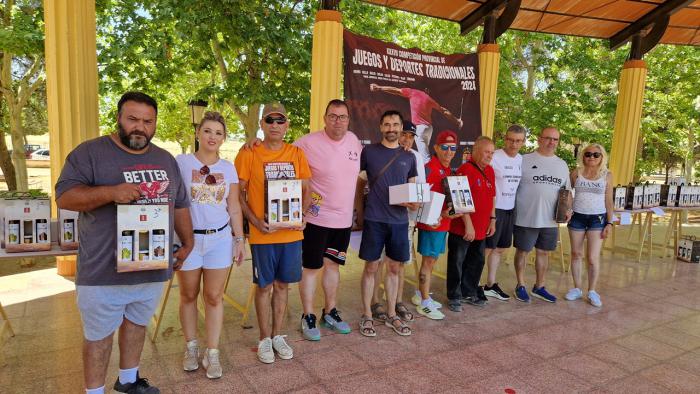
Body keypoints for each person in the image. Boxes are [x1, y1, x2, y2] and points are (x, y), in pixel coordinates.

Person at [55, 91, 193, 394]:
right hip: (103, 270)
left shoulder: (164, 158)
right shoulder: (90, 153)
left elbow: (179, 204)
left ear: (155, 124)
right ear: (118, 118)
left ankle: (129, 381)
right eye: (132, 119)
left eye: (147, 121)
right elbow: (65, 197)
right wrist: (110, 192)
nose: (139, 127)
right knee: (98, 336)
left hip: (151, 264)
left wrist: (188, 242)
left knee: (137, 324)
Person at [234, 103, 311, 363]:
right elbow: (238, 193)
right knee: (264, 286)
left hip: (290, 234)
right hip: (263, 234)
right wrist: (254, 221)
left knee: (282, 285)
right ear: (262, 124)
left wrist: (303, 215)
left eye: (280, 120)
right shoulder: (249, 153)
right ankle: (264, 338)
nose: (275, 125)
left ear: (287, 124)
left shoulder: (296, 153)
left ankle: (278, 335)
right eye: (270, 120)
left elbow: (306, 188)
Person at [176, 111, 245, 378]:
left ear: (224, 138)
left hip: (219, 239)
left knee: (214, 297)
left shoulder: (228, 168)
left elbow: (234, 207)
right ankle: (191, 346)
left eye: (218, 133)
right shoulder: (181, 162)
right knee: (188, 295)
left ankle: (212, 352)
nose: (212, 137)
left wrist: (239, 239)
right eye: (207, 131)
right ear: (197, 133)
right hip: (189, 240)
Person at [294, 99, 362, 340]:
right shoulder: (306, 143)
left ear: (348, 120)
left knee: (333, 266)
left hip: (342, 221)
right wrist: (256, 143)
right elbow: (280, 153)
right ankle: (308, 315)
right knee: (312, 268)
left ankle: (330, 311)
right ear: (325, 118)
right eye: (333, 116)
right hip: (316, 219)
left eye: (342, 117)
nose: (338, 121)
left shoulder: (354, 141)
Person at [356, 110, 418, 337]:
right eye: (387, 124)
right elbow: (359, 183)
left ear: (402, 128)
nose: (391, 128)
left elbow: (413, 191)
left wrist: (414, 204)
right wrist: (359, 211)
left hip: (399, 221)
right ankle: (367, 315)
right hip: (374, 219)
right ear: (381, 127)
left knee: (393, 268)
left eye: (395, 124)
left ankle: (392, 314)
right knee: (371, 267)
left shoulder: (409, 157)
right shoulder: (369, 152)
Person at [370, 120, 424, 324]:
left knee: (398, 263)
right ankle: (375, 302)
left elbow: (420, 188)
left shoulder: (415, 157)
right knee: (377, 263)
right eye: (404, 134)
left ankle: (398, 300)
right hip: (380, 217)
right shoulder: (380, 153)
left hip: (405, 220)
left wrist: (415, 204)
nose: (406, 139)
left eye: (410, 136)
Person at [513, 127, 572, 303]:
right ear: (539, 139)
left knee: (544, 253)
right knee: (522, 251)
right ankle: (520, 285)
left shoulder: (562, 164)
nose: (551, 142)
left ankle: (539, 286)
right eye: (548, 138)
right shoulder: (524, 160)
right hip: (526, 216)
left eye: (555, 139)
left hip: (550, 219)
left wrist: (568, 210)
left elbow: (566, 191)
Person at [413, 130, 462, 319]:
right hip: (431, 225)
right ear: (436, 148)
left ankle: (421, 294)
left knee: (431, 261)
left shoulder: (450, 171)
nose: (449, 151)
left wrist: (454, 210)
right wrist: (434, 216)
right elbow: (421, 200)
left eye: (452, 148)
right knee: (428, 261)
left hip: (443, 224)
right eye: (444, 147)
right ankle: (424, 302)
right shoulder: (428, 168)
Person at [445, 137, 496, 312]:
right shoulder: (464, 169)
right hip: (463, 229)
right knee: (457, 262)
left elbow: (492, 198)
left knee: (477, 261)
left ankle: (469, 292)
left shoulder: (490, 171)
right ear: (475, 151)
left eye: (492, 152)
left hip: (482, 228)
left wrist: (493, 220)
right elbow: (459, 201)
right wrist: (468, 225)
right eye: (486, 151)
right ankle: (454, 296)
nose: (489, 156)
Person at [565, 143, 613, 307]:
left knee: (592, 258)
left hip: (597, 219)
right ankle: (577, 288)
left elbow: (609, 200)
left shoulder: (607, 175)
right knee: (576, 254)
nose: (591, 157)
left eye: (596, 155)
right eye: (588, 154)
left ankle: (592, 291)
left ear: (602, 157)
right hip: (577, 217)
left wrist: (610, 222)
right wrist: (568, 209)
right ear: (583, 156)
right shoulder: (575, 173)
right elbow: (568, 194)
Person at [483, 125, 526, 301]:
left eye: (518, 141)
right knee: (486, 249)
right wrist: (491, 214)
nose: (513, 144)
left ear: (523, 142)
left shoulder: (521, 159)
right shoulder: (495, 157)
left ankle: (490, 284)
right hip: (494, 210)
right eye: (510, 140)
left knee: (500, 249)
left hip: (510, 209)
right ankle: (472, 286)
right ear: (505, 139)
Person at [369, 84, 463, 163]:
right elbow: (445, 111)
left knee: (424, 156)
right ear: (427, 90)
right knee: (421, 152)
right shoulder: (430, 99)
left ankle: (429, 179)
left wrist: (379, 87)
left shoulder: (413, 92)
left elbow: (396, 90)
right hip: (429, 129)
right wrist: (457, 121)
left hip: (420, 129)